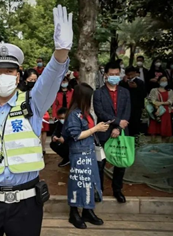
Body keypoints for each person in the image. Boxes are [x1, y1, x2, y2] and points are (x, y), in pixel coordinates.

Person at [0, 5, 73, 235]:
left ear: (18, 74)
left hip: (26, 204)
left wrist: (61, 51)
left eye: (9, 71)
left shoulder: (33, 102)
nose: (3, 76)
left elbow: (52, 77)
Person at [62, 83, 109, 229]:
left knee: (90, 182)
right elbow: (76, 135)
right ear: (84, 97)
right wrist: (96, 128)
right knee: (78, 183)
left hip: (89, 153)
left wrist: (98, 127)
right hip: (79, 154)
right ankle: (74, 212)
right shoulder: (74, 114)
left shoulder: (86, 113)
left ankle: (88, 210)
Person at [93, 61, 131, 204]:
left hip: (120, 132)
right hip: (103, 132)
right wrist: (116, 122)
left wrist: (119, 128)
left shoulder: (125, 92)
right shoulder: (98, 93)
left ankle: (117, 190)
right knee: (100, 164)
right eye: (111, 74)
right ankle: (99, 189)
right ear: (105, 75)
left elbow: (127, 112)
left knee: (120, 163)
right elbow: (100, 112)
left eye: (117, 74)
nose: (114, 77)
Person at [19, 68, 50, 155]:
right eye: (30, 80)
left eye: (35, 80)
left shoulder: (40, 90)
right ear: (25, 79)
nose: (33, 82)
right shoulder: (20, 91)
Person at [119, 66, 146, 137]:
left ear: (135, 73)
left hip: (136, 107)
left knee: (136, 123)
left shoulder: (140, 82)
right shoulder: (122, 83)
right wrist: (125, 83)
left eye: (132, 74)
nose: (130, 76)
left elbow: (144, 94)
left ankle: (136, 138)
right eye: (128, 75)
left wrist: (136, 88)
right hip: (125, 107)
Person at [147, 75, 173, 142]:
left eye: (165, 80)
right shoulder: (154, 90)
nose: (164, 82)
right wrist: (156, 107)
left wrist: (160, 103)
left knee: (165, 130)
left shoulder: (170, 91)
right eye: (162, 80)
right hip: (155, 111)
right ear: (158, 81)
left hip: (166, 112)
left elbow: (170, 101)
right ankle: (153, 145)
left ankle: (164, 146)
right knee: (154, 129)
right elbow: (152, 100)